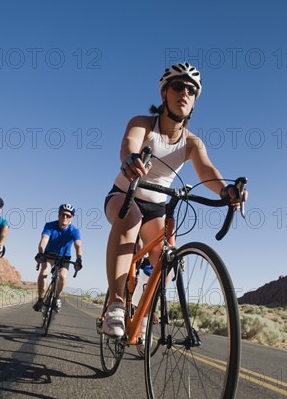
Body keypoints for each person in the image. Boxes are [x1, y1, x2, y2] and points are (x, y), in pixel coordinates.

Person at [102, 62, 246, 338]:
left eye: (192, 90)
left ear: (194, 103)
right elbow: (129, 144)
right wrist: (130, 160)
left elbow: (207, 170)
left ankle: (143, 312)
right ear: (164, 94)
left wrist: (226, 191)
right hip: (125, 194)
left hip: (158, 207)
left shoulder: (192, 143)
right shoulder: (143, 123)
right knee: (129, 219)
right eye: (178, 86)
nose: (185, 93)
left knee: (166, 258)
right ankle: (116, 305)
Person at [33, 204, 82, 312]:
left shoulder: (74, 230)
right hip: (49, 254)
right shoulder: (50, 226)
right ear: (59, 215)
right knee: (44, 272)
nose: (65, 217)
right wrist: (40, 253)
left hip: (64, 257)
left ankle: (56, 297)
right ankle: (40, 299)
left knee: (63, 277)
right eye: (62, 214)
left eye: (68, 216)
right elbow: (44, 240)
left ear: (71, 218)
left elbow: (78, 245)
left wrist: (79, 258)